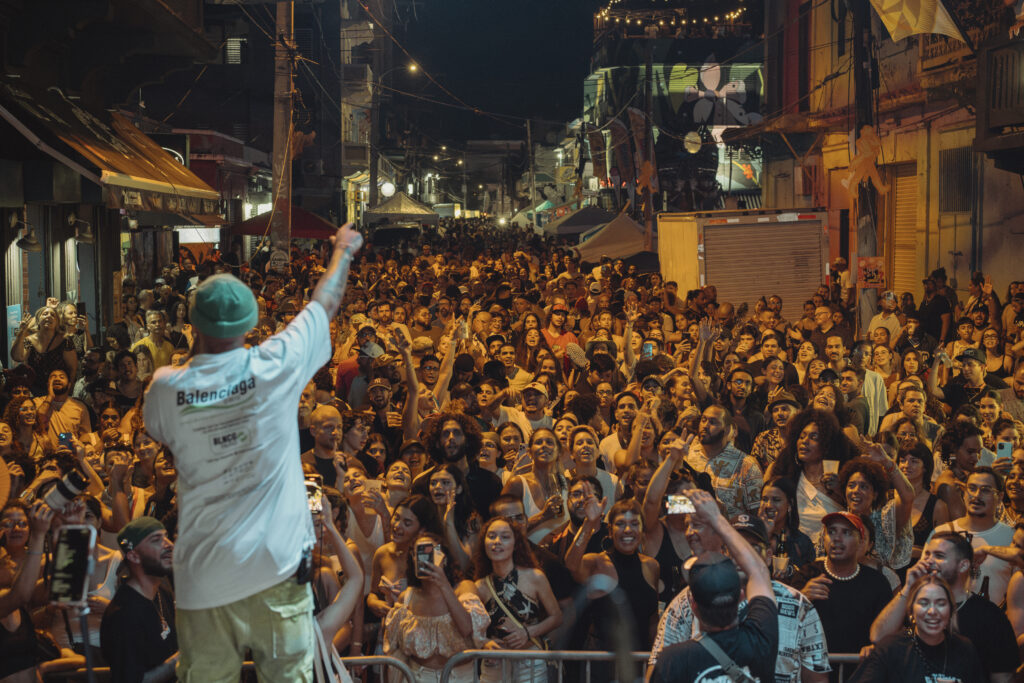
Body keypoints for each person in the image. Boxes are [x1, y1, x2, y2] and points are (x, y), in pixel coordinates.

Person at [141, 222, 363, 680]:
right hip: (276, 573)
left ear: (192, 324)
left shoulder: (166, 387)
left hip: (204, 579)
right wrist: (342, 250)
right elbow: (325, 304)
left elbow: (158, 431)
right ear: (251, 325)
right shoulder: (274, 366)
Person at [647, 490, 781, 683]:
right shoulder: (761, 640)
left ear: (693, 605)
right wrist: (717, 519)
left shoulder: (672, 660)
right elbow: (758, 571)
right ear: (742, 596)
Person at [870, 532, 1020, 682]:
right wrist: (909, 587)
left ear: (963, 565)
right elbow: (878, 637)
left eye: (939, 556)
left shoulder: (989, 615)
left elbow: (1003, 677)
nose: (928, 561)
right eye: (927, 555)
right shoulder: (915, 605)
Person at [788, 512, 893, 680]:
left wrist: (875, 647)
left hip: (860, 674)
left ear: (861, 541)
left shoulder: (877, 583)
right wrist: (803, 597)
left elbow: (890, 632)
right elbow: (786, 625)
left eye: (846, 533)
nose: (837, 538)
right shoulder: (808, 575)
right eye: (831, 531)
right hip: (812, 674)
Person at [381, 533, 489, 683]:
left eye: (430, 552)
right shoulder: (407, 597)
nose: (424, 558)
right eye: (418, 552)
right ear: (413, 558)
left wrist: (442, 583)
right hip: (417, 676)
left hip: (460, 677)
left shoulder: (463, 589)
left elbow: (466, 628)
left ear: (442, 558)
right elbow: (392, 645)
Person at [473, 517, 561, 683]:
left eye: (505, 537)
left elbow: (557, 617)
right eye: (491, 536)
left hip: (531, 662)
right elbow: (472, 629)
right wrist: (485, 643)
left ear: (516, 544)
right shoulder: (480, 586)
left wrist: (528, 632)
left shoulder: (535, 577)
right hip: (495, 665)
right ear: (483, 543)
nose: (497, 542)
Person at [851, 575, 983, 682]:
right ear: (911, 610)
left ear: (950, 610)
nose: (932, 611)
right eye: (924, 603)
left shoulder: (964, 649)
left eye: (941, 604)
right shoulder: (891, 648)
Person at [100, 516, 178, 683]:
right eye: (156, 540)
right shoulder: (123, 616)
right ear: (134, 556)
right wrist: (183, 657)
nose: (169, 545)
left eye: (166, 537)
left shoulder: (162, 590)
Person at [927, 467, 1016, 606]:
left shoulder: (1012, 538)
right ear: (964, 493)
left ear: (999, 497)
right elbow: (924, 581)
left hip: (994, 622)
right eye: (972, 488)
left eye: (986, 490)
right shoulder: (941, 534)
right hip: (948, 621)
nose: (976, 495)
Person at [0, 501, 54, 683]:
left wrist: (72, 524)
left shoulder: (16, 602)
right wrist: (38, 536)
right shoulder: (9, 599)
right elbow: (21, 594)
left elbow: (54, 582)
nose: (11, 563)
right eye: (4, 561)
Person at [683, 404, 763, 517]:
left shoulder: (746, 464)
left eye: (713, 422)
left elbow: (757, 514)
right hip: (690, 530)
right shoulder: (686, 456)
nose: (705, 426)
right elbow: (671, 505)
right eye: (704, 420)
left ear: (727, 430)